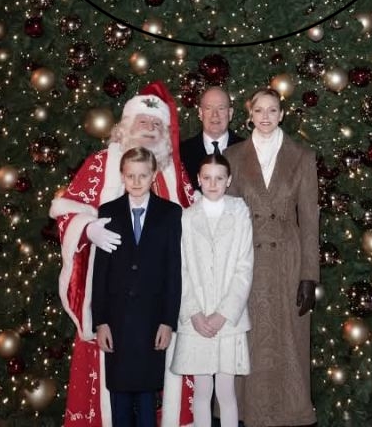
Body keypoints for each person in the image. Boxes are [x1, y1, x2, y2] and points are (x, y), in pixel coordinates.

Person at [50, 82, 195, 427]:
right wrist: (88, 229)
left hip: (157, 308)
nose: (150, 128)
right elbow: (66, 211)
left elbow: (190, 235)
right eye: (143, 121)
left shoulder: (174, 173)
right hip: (113, 308)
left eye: (157, 124)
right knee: (114, 393)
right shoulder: (100, 164)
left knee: (150, 387)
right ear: (127, 125)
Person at [225, 89, 319, 427]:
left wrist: (309, 275)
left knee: (288, 340)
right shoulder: (233, 155)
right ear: (249, 115)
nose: (265, 117)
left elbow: (309, 219)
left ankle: (290, 414)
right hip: (246, 260)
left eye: (273, 110)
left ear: (282, 114)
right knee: (248, 340)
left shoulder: (302, 156)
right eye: (259, 110)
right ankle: (247, 414)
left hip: (287, 263)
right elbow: (226, 216)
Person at [93, 147, 183, 427]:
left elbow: (174, 272)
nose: (136, 181)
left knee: (146, 400)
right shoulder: (108, 213)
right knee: (119, 399)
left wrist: (168, 321)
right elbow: (100, 273)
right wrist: (101, 321)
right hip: (117, 322)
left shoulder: (170, 214)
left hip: (151, 321)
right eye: (130, 175)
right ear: (122, 175)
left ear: (153, 175)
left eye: (142, 175)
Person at [171, 153, 253, 427]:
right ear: (198, 179)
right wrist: (194, 312)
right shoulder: (187, 217)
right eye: (207, 178)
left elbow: (244, 266)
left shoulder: (239, 214)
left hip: (228, 321)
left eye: (219, 178)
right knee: (202, 391)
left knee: (226, 392)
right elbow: (181, 269)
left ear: (228, 180)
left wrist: (224, 313)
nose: (213, 184)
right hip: (197, 320)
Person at [180, 87, 244, 191]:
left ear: (230, 113)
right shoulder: (182, 153)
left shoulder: (247, 150)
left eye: (221, 108)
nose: (215, 115)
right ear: (201, 113)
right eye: (208, 108)